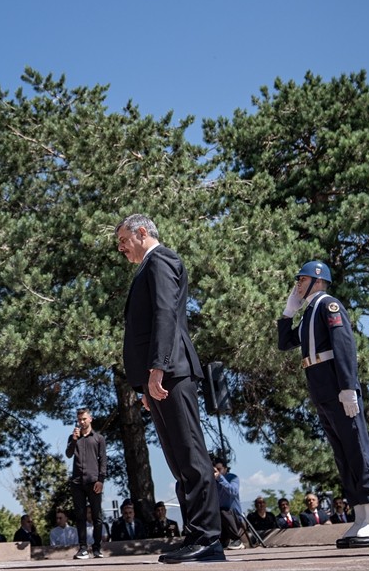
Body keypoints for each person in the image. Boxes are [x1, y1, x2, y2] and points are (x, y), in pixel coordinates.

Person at [116, 214, 224, 563]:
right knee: (179, 461)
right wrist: (147, 383)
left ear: (142, 233)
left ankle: (209, 537)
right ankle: (195, 533)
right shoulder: (147, 267)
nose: (120, 247)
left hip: (172, 371)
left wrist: (157, 369)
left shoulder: (161, 260)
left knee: (191, 454)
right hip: (160, 376)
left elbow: (165, 314)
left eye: (123, 240)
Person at [277, 260, 369, 548]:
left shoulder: (329, 305)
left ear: (318, 280)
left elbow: (344, 347)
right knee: (343, 453)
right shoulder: (308, 314)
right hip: (321, 388)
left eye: (302, 280)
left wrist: (348, 387)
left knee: (357, 448)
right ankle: (361, 516)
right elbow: (284, 343)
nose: (297, 285)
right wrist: (288, 312)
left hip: (337, 386)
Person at [66, 407, 106, 560]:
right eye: (79, 419)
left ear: (90, 419)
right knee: (80, 516)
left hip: (93, 481)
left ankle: (97, 547)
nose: (81, 422)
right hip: (77, 482)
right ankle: (83, 548)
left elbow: (103, 460)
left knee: (97, 516)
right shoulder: (73, 437)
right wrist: (74, 440)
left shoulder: (99, 438)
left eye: (84, 419)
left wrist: (101, 480)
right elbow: (69, 454)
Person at [212, 459, 246, 550]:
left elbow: (233, 491)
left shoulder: (233, 478)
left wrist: (220, 478)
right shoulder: (212, 482)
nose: (217, 472)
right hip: (219, 519)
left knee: (223, 511)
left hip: (233, 516)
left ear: (225, 469)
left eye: (219, 469)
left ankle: (236, 540)